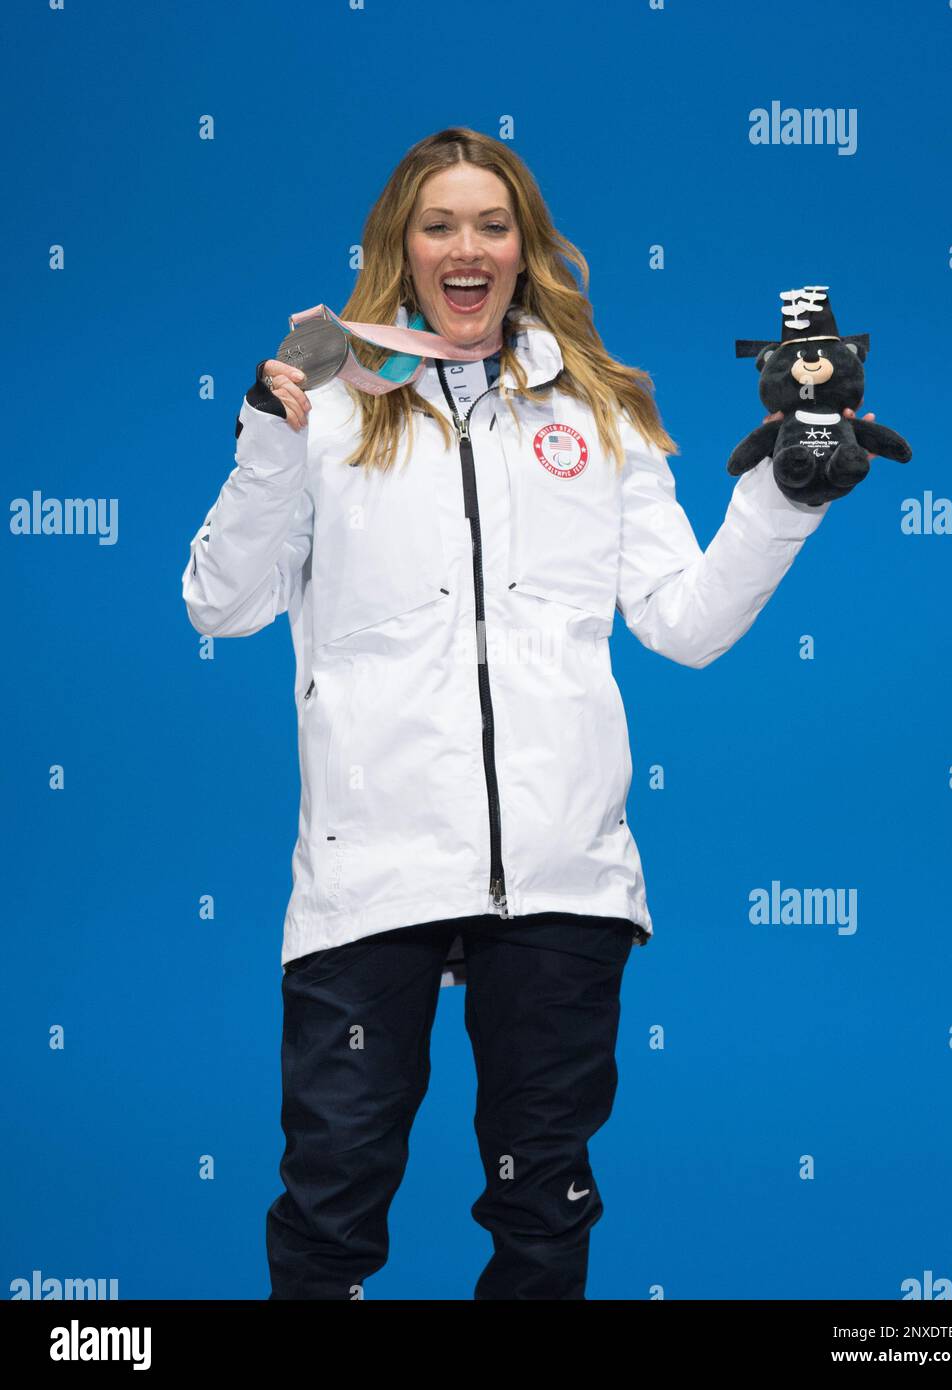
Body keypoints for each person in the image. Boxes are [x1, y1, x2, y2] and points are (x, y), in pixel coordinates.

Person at [181, 127, 863, 1300]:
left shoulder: (598, 411)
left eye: (491, 225)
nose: (466, 245)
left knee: (542, 1206)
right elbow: (223, 602)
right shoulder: (326, 410)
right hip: (368, 875)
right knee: (331, 1203)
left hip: (560, 876)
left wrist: (783, 495)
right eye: (438, 224)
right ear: (399, 246)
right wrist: (267, 443)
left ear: (523, 249)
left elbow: (682, 623)